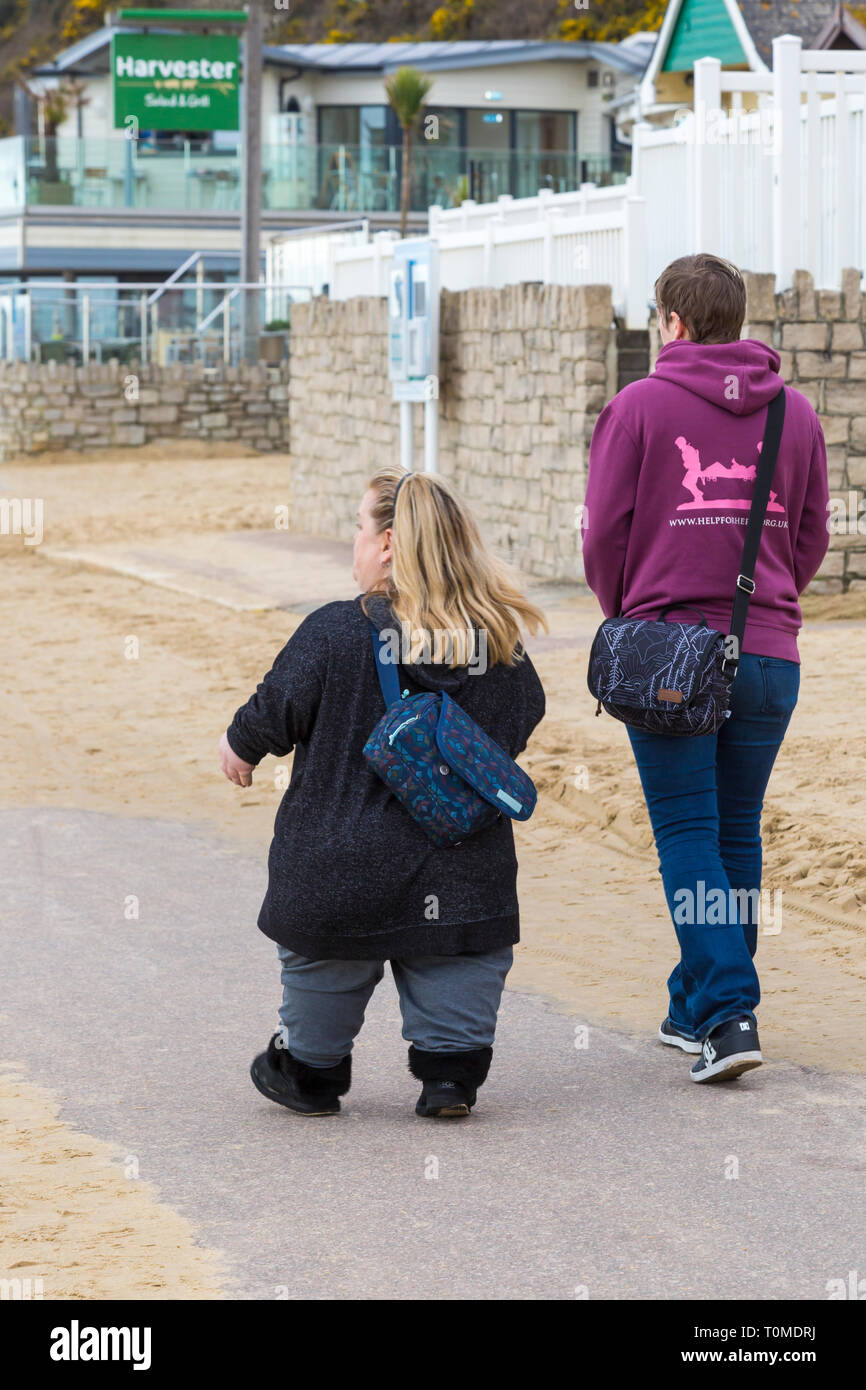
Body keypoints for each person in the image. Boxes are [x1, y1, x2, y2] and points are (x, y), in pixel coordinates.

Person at [218, 468, 546, 1118]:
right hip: (458, 879)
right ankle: (450, 1073)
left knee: (320, 981)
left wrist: (239, 747)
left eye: (359, 530)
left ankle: (310, 1068)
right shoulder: (499, 645)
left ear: (390, 542)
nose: (354, 547)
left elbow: (274, 710)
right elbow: (521, 718)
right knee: (457, 958)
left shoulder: (336, 632)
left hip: (339, 876)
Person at [581, 253, 829, 1084]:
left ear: (674, 323)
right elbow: (813, 537)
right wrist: (771, 601)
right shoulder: (795, 414)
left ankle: (728, 1010)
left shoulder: (637, 407)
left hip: (670, 654)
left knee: (688, 834)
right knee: (733, 834)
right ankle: (696, 1006)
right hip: (768, 653)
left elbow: (602, 535)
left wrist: (630, 612)